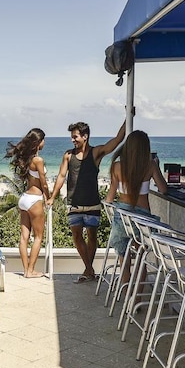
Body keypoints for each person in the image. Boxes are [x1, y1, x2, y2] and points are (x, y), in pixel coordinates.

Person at [48, 119, 126, 283]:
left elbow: (116, 141)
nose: (72, 140)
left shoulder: (96, 153)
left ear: (85, 136)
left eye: (75, 137)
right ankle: (90, 270)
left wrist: (128, 118)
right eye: (72, 137)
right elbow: (62, 176)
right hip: (74, 203)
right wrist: (52, 197)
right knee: (76, 236)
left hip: (93, 203)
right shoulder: (68, 155)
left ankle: (87, 271)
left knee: (92, 236)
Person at [105, 130, 167, 282]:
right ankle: (137, 303)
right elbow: (164, 189)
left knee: (124, 260)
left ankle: (127, 297)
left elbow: (109, 198)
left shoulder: (117, 166)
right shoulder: (150, 165)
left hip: (123, 218)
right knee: (141, 261)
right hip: (142, 220)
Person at [5, 128, 50, 278]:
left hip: (24, 198)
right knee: (38, 237)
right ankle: (31, 270)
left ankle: (26, 270)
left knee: (24, 237)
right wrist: (48, 197)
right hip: (34, 199)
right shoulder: (38, 160)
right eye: (43, 140)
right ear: (38, 143)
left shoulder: (26, 159)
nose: (44, 143)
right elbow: (43, 183)